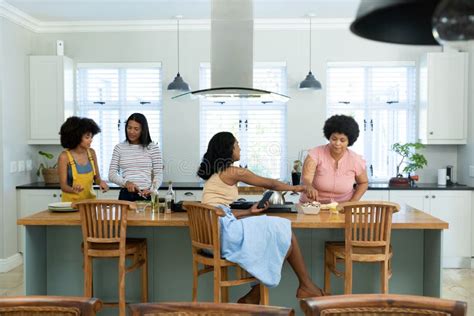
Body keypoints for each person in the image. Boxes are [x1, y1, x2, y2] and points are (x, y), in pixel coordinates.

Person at [197, 131, 325, 304]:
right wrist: (299, 188)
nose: (240, 148)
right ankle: (303, 285)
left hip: (214, 237)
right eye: (237, 144)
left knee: (281, 233)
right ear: (229, 149)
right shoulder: (233, 171)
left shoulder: (215, 173)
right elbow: (269, 184)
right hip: (223, 238)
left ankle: (260, 294)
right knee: (282, 229)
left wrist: (249, 212)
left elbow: (219, 212)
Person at [300, 114, 368, 204]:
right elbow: (306, 178)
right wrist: (309, 186)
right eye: (334, 139)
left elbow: (363, 183)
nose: (337, 143)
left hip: (342, 208)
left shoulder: (355, 160)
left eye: (342, 140)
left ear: (349, 141)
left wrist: (351, 202)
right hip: (312, 206)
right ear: (329, 137)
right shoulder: (315, 154)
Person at [109, 113, 163, 201]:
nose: (131, 132)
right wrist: (126, 183)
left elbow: (158, 174)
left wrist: (152, 189)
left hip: (146, 194)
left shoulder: (153, 148)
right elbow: (111, 174)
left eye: (136, 129)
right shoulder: (119, 148)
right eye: (129, 128)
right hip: (126, 195)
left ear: (143, 130)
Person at [58, 116, 109, 202]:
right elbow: (63, 186)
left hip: (89, 204)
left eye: (91, 137)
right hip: (70, 205)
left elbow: (97, 178)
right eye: (87, 137)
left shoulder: (91, 153)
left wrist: (101, 182)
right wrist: (73, 189)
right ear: (76, 137)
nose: (91, 140)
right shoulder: (64, 157)